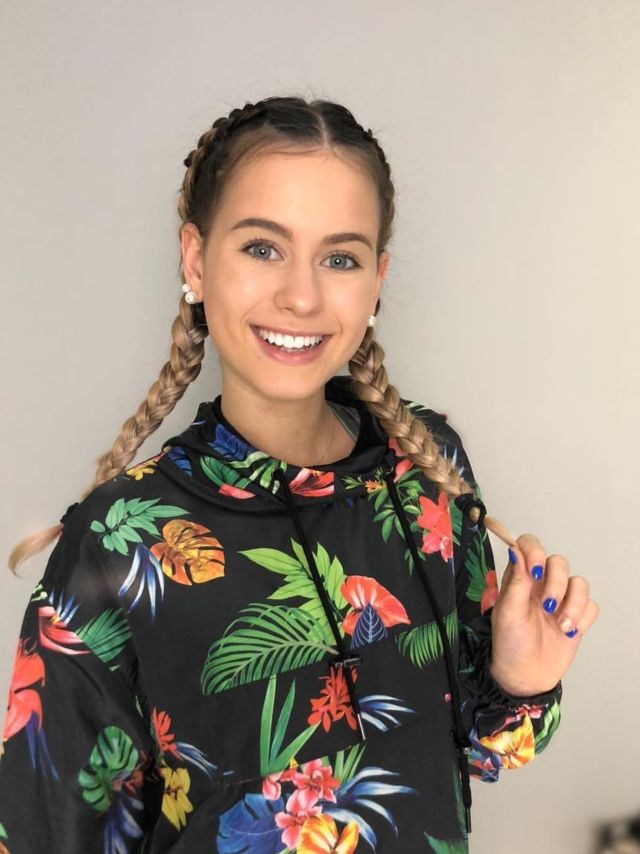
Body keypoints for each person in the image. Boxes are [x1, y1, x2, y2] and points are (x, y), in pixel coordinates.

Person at [0, 95, 599, 853]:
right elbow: (45, 832)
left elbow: (479, 751)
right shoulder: (120, 541)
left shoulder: (428, 466)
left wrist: (521, 680)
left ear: (376, 280)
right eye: (262, 247)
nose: (302, 295)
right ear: (195, 260)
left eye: (340, 258)